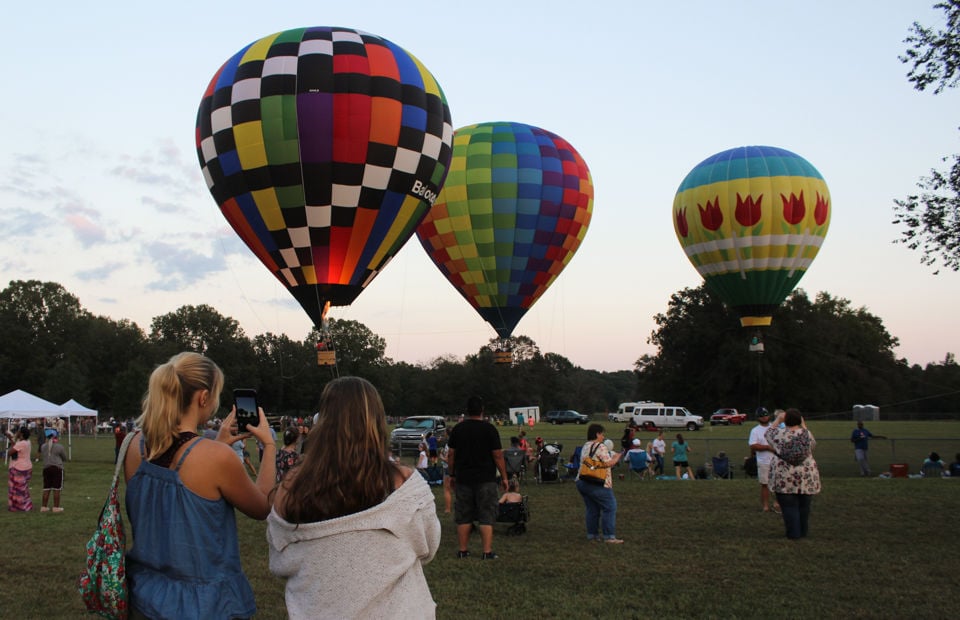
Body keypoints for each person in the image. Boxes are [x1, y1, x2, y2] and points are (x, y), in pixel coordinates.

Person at [268, 377, 440, 619]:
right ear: (377, 420)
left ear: (323, 419)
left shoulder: (291, 485)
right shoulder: (404, 483)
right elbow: (428, 546)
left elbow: (279, 554)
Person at [123, 351, 277, 619]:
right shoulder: (216, 458)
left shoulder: (133, 445)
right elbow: (262, 506)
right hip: (202, 606)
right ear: (203, 397)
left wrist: (215, 445)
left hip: (143, 596)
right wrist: (269, 445)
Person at [447, 395, 508, 560]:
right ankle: (487, 552)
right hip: (486, 479)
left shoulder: (458, 429)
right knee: (486, 515)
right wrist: (504, 477)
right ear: (482, 410)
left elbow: (451, 454)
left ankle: (463, 550)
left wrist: (451, 474)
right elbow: (497, 456)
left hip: (463, 478)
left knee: (464, 515)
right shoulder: (489, 429)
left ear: (467, 411)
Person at [765, 409, 821, 539]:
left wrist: (778, 420)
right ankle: (803, 531)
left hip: (785, 476)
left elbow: (768, 434)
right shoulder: (806, 434)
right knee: (804, 506)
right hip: (806, 475)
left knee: (789, 506)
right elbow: (812, 444)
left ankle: (793, 533)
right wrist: (803, 424)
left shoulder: (779, 434)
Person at [575, 423, 623, 543]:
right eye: (602, 433)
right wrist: (617, 458)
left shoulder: (586, 446)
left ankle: (592, 535)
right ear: (597, 434)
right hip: (597, 482)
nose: (603, 436)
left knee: (592, 509)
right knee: (610, 507)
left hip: (582, 481)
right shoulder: (600, 446)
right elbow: (608, 463)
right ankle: (609, 536)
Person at [748, 407, 779, 513]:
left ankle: (777, 504)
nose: (765, 417)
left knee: (777, 484)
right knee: (765, 484)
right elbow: (753, 445)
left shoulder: (774, 428)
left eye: (766, 415)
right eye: (762, 415)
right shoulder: (755, 430)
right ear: (758, 418)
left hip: (777, 461)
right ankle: (765, 506)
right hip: (763, 462)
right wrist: (767, 448)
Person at [6, 426, 33, 511]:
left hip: (18, 467)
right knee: (23, 488)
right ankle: (26, 504)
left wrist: (13, 438)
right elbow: (16, 446)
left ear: (21, 434)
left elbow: (10, 452)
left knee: (16, 488)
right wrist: (11, 439)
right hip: (27, 466)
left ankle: (18, 506)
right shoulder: (27, 442)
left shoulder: (21, 443)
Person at [40, 430, 67, 512]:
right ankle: (56, 507)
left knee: (46, 488)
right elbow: (64, 458)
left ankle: (44, 506)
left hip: (46, 468)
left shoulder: (43, 446)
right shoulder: (59, 447)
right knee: (57, 488)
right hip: (57, 468)